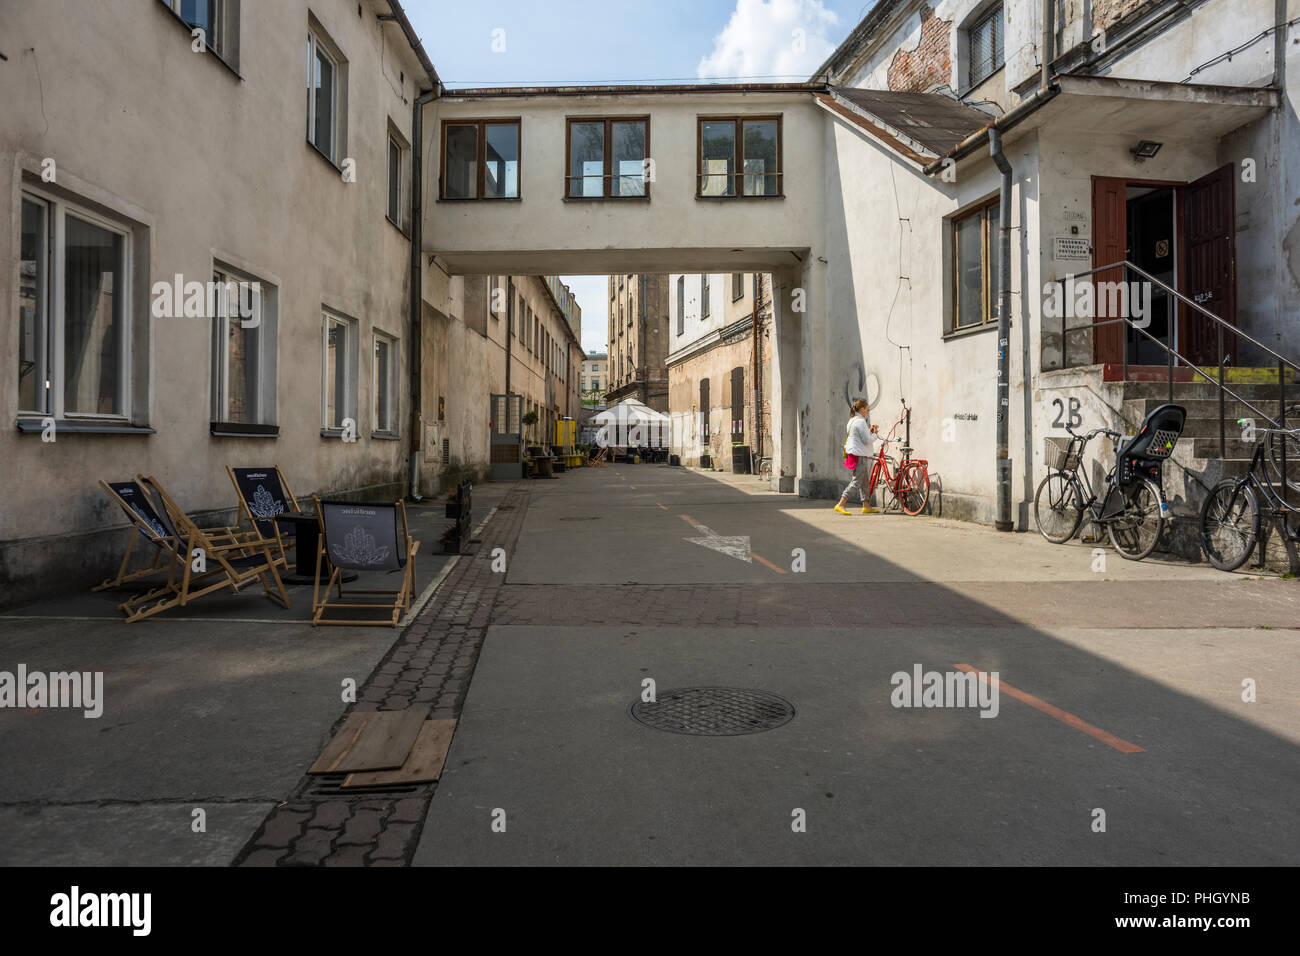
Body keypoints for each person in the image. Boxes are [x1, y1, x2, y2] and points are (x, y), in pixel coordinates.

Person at [834, 398, 880, 515]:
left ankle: (866, 506)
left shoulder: (852, 420)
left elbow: (859, 437)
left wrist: (869, 431)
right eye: (867, 409)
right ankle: (841, 503)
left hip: (855, 454)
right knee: (856, 482)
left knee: (864, 482)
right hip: (859, 455)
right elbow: (866, 440)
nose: (868, 412)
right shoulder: (860, 422)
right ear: (862, 409)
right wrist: (875, 433)